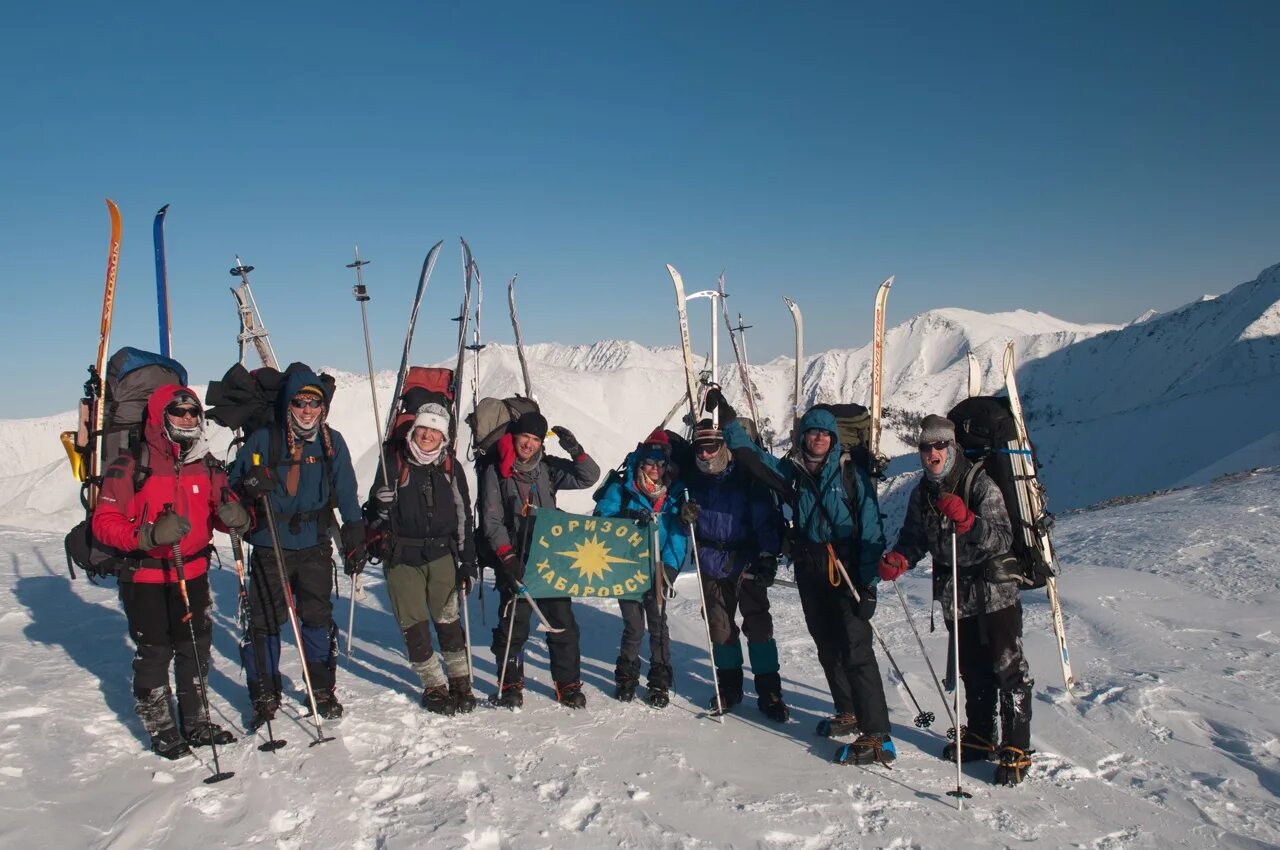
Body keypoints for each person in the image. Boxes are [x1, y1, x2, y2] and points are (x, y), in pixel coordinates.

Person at [707, 387, 895, 765]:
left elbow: (872, 530)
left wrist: (868, 581)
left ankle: (877, 735)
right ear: (803, 436)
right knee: (827, 645)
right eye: (813, 431)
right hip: (812, 568)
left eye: (826, 432)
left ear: (834, 438)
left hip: (846, 569)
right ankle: (848, 712)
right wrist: (727, 418)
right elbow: (750, 456)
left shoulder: (849, 475)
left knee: (856, 650)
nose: (820, 437)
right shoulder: (791, 475)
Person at [92, 385, 251, 758]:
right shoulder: (132, 463)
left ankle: (195, 721)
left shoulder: (206, 465)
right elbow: (104, 522)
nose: (187, 419)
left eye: (193, 412)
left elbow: (225, 510)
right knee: (156, 650)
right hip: (145, 575)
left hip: (192, 571)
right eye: (179, 412)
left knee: (195, 647)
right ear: (161, 416)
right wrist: (146, 536)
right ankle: (162, 728)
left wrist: (236, 518)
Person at [878, 414, 1032, 785]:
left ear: (952, 446)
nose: (931, 452)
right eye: (925, 446)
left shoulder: (979, 483)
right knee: (972, 668)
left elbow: (1001, 537)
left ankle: (1016, 747)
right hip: (954, 594)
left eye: (939, 445)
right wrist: (901, 558)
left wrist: (970, 523)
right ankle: (981, 736)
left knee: (1007, 667)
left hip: (993, 590)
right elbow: (915, 538)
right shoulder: (922, 493)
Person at [230, 367, 365, 725]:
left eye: (314, 402)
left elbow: (347, 489)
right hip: (269, 541)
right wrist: (248, 486)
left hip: (313, 543)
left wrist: (354, 532)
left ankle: (321, 689)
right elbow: (232, 488)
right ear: (289, 403)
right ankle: (264, 692)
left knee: (317, 619)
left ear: (323, 406)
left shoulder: (331, 441)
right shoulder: (262, 439)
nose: (307, 410)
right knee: (264, 622)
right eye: (300, 402)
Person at [479, 411, 600, 708]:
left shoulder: (547, 467)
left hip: (551, 554)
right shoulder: (497, 471)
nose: (529, 444)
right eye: (525, 437)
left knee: (562, 622)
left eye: (535, 439)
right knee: (513, 626)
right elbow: (491, 520)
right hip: (516, 556)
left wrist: (576, 450)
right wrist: (506, 557)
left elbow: (588, 477)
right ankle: (510, 683)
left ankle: (568, 683)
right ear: (515, 437)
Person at [368, 403, 478, 715]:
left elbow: (463, 516)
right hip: (402, 554)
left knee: (449, 621)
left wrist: (467, 561)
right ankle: (434, 685)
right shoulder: (394, 462)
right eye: (423, 429)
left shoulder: (450, 467)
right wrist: (381, 506)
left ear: (443, 436)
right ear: (414, 430)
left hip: (442, 553)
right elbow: (374, 514)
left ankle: (460, 681)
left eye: (435, 431)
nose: (428, 435)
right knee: (414, 624)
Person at [680, 419, 786, 720]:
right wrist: (683, 518)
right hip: (711, 561)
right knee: (720, 628)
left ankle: (769, 691)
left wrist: (767, 555)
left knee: (759, 627)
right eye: (700, 448)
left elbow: (765, 519)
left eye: (711, 447)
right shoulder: (694, 481)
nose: (704, 454)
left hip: (746, 560)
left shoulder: (745, 476)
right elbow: (680, 518)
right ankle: (729, 687)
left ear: (723, 445)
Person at [593, 429, 689, 708]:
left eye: (660, 464)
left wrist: (669, 569)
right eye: (650, 463)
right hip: (628, 566)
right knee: (633, 626)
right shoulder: (621, 489)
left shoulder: (674, 493)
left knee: (658, 625)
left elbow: (677, 536)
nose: (655, 469)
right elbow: (603, 520)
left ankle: (659, 681)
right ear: (640, 463)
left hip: (659, 566)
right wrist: (627, 518)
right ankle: (626, 679)